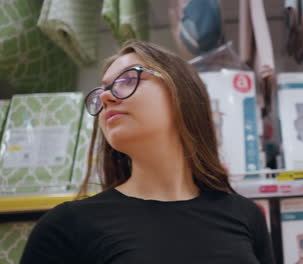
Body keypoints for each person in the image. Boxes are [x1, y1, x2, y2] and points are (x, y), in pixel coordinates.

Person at [20, 41, 275, 264]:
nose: (107, 97)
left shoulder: (245, 216)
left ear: (182, 93)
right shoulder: (66, 226)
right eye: (102, 90)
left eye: (128, 80)